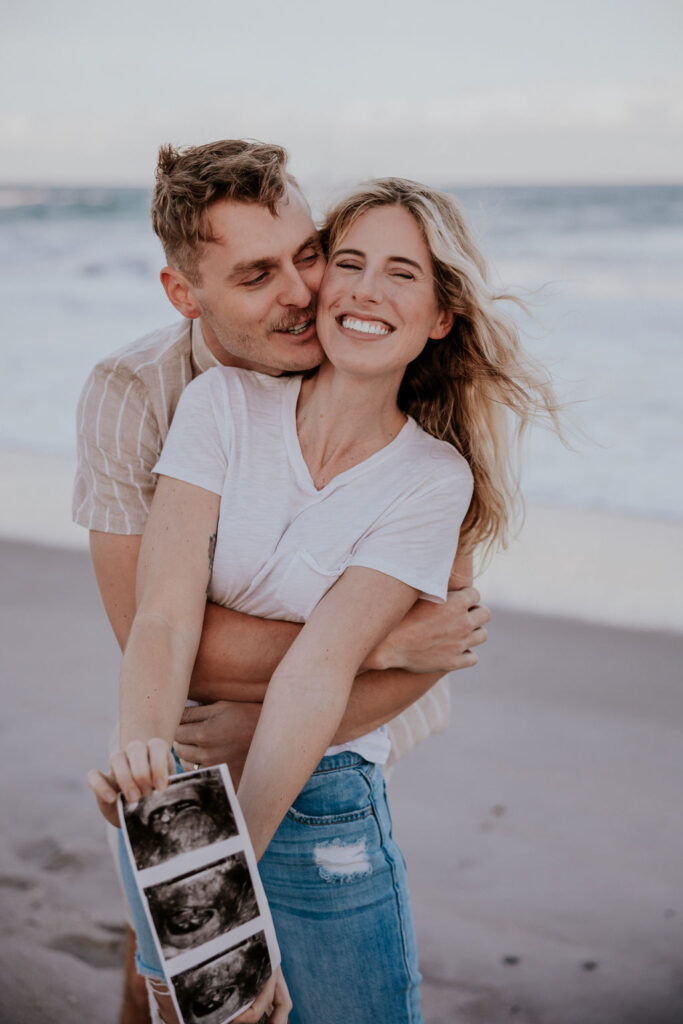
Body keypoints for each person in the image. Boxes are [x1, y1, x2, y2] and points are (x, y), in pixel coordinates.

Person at [88, 175, 560, 1024]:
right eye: (348, 261)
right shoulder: (220, 404)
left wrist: (231, 900)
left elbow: (319, 666)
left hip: (315, 807)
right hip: (176, 800)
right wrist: (143, 756)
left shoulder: (429, 479)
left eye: (403, 273)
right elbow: (161, 613)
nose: (367, 289)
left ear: (442, 314)